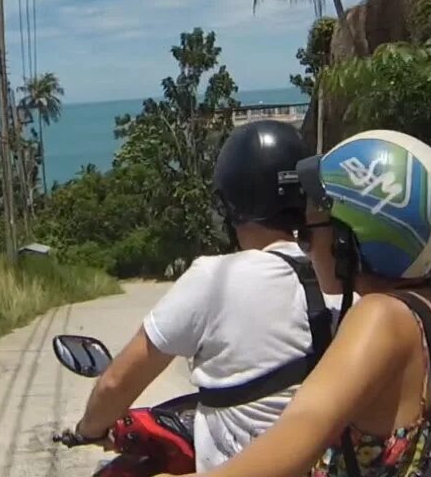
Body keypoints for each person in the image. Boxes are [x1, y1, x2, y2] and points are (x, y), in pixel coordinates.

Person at [176, 129, 431, 477]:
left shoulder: (379, 317)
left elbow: (293, 442)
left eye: (309, 232)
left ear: (347, 240)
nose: (306, 246)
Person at [67, 119, 332, 471]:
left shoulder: (214, 277)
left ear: (230, 204)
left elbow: (116, 382)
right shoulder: (341, 278)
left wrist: (88, 429)